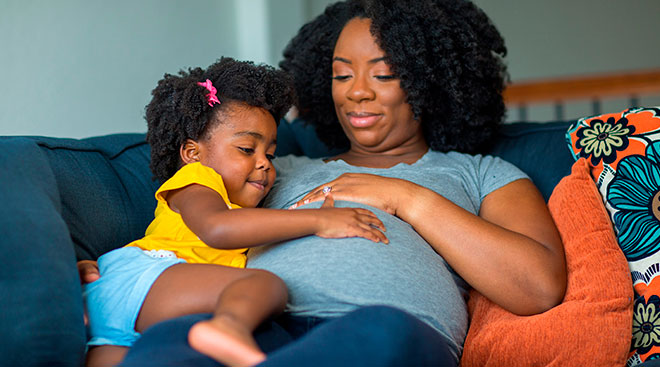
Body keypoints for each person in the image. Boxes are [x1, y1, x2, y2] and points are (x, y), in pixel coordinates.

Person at [80, 0, 567, 365]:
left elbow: (537, 287)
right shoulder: (269, 167)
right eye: (340, 75)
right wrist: (114, 270)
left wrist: (405, 197)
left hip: (386, 333)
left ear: (429, 80)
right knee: (174, 341)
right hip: (256, 325)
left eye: (385, 74)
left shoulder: (481, 174)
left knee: (384, 332)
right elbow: (194, 231)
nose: (356, 91)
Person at [81, 57, 389, 367]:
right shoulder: (197, 180)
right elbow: (218, 228)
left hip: (121, 318)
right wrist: (319, 219)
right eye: (246, 149)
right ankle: (229, 326)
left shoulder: (237, 204)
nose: (265, 163)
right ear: (192, 153)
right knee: (263, 285)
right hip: (144, 278)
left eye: (270, 153)